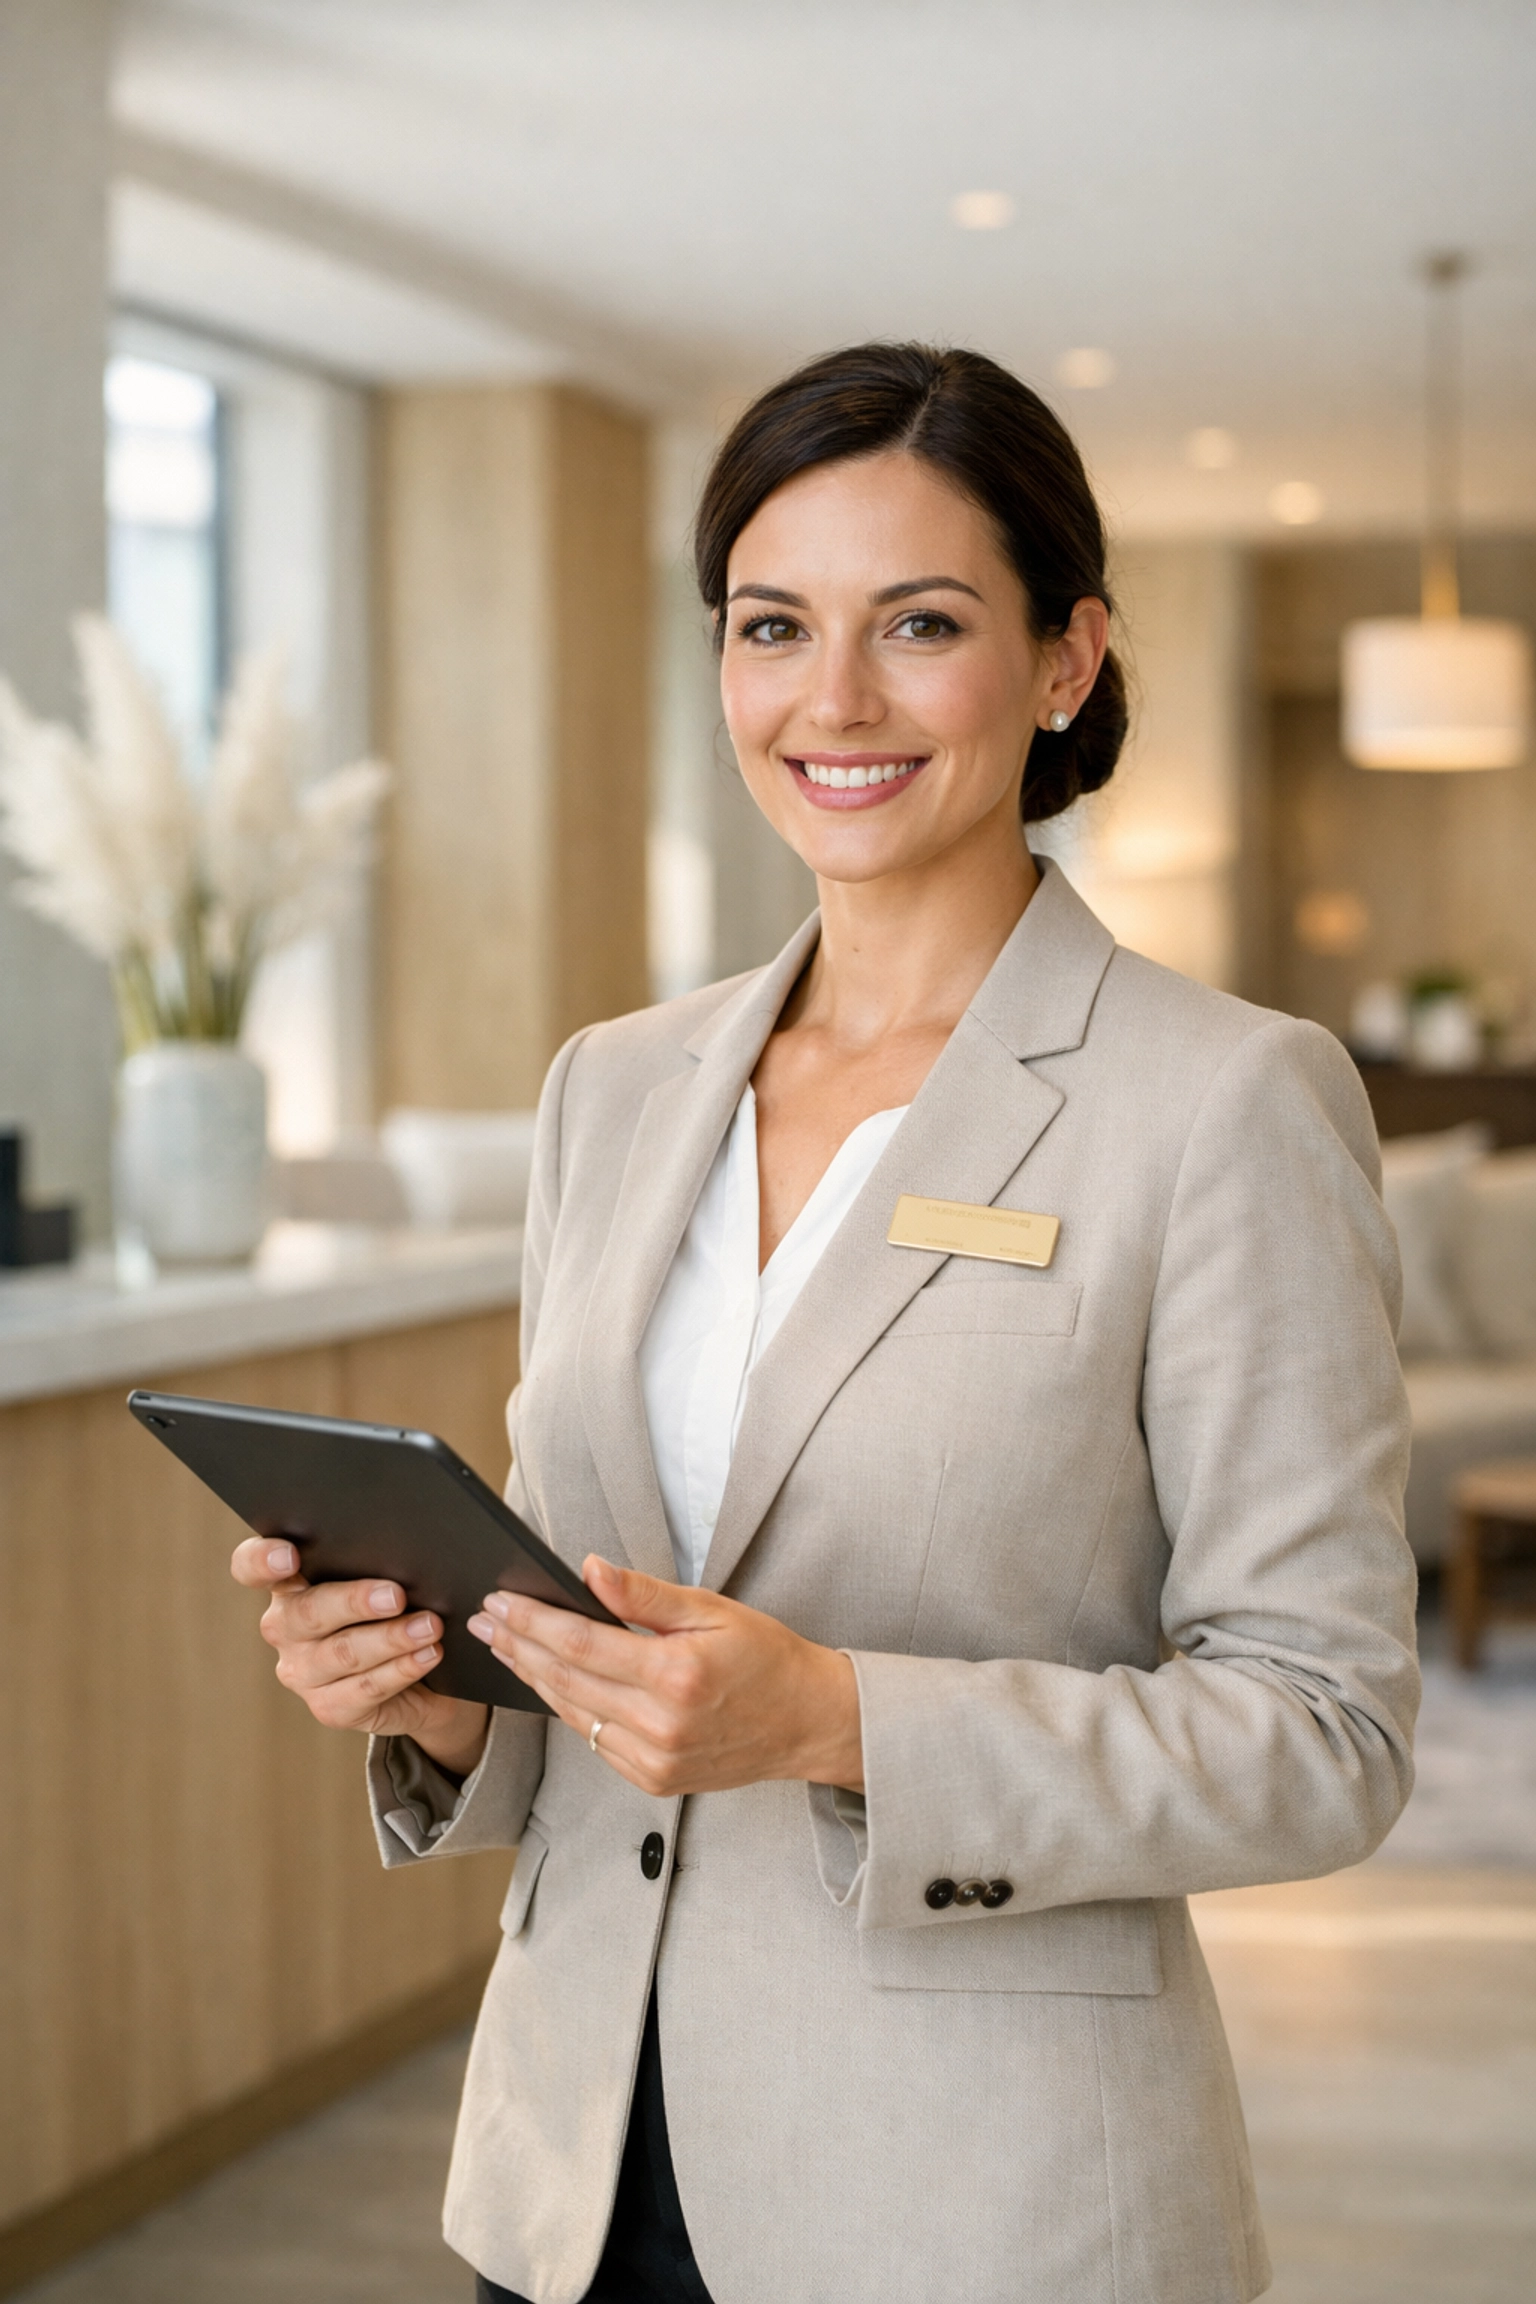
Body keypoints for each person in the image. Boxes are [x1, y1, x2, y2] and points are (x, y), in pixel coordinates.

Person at [233, 342, 1418, 2304]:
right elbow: (593, 1641)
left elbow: (1326, 1728)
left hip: (982, 2201)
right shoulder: (612, 1086)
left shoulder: (1222, 1101)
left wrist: (842, 1718)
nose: (833, 701)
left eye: (922, 624)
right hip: (575, 2164)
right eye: (772, 626)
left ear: (1065, 661)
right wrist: (441, 1689)